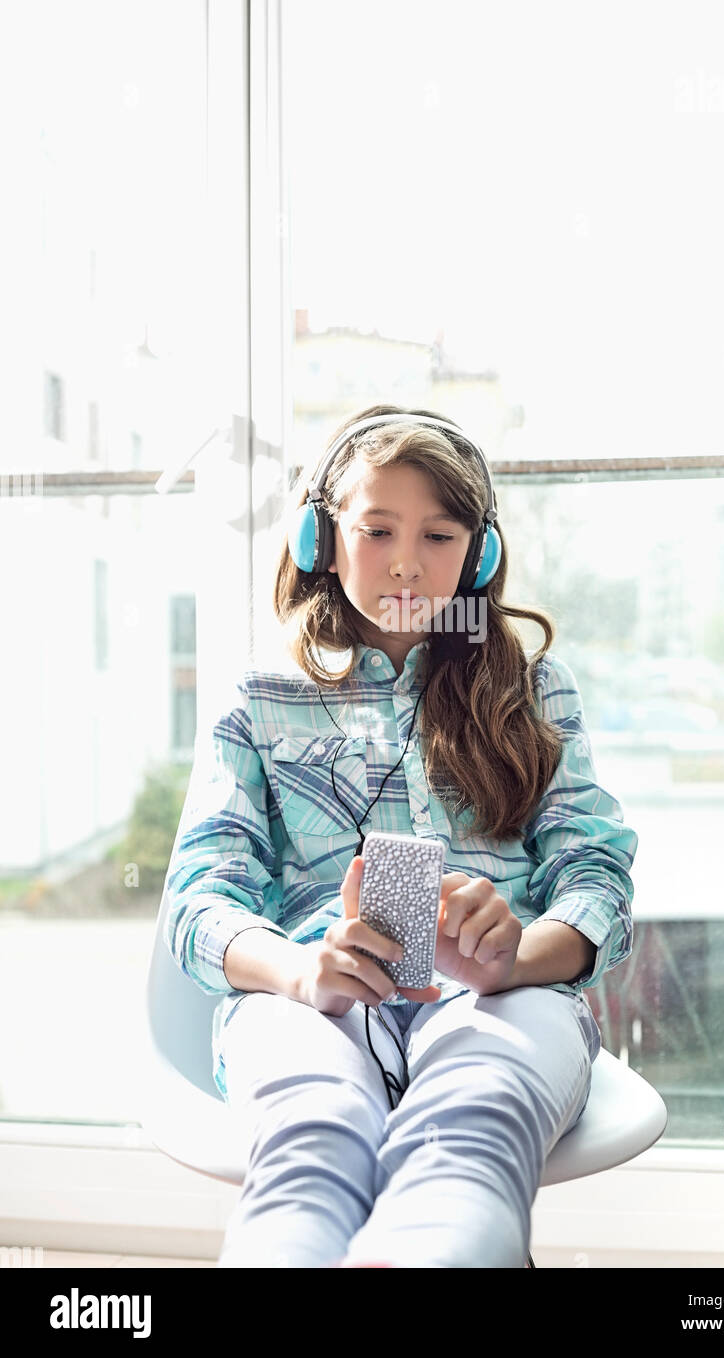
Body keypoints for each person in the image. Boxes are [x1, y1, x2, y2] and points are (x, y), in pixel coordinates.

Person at [162, 402, 638, 1268]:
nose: (409, 562)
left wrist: (518, 955)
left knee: (474, 1124)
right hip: (307, 996)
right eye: (377, 530)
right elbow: (200, 902)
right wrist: (299, 970)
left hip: (502, 997)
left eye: (441, 535)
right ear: (320, 539)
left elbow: (596, 877)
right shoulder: (259, 698)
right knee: (312, 1132)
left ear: (481, 553)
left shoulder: (534, 689)